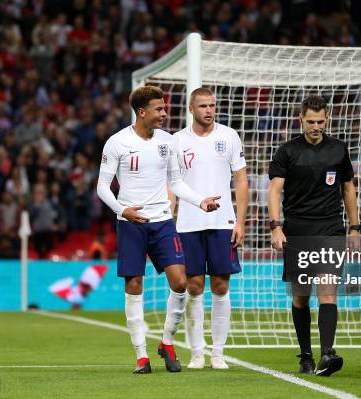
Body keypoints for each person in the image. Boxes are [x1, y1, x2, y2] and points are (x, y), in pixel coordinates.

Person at [97, 85, 220, 374]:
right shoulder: (117, 143)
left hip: (163, 222)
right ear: (142, 112)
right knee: (134, 286)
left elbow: (175, 182)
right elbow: (102, 186)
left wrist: (199, 200)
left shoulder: (168, 142)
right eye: (159, 109)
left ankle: (166, 342)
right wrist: (121, 210)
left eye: (163, 108)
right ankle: (141, 356)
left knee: (181, 283)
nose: (164, 114)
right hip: (131, 223)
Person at [268, 95, 359, 376]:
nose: (316, 126)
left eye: (321, 121)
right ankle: (306, 355)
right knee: (300, 296)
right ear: (301, 120)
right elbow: (274, 191)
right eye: (311, 121)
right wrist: (276, 226)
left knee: (328, 292)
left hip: (331, 228)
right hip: (297, 230)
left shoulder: (339, 150)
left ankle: (327, 354)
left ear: (327, 119)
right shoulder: (287, 151)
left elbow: (348, 189)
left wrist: (354, 228)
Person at [174, 87, 249, 370]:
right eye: (203, 106)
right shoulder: (178, 141)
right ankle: (197, 352)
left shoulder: (228, 136)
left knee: (220, 286)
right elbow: (173, 184)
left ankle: (218, 353)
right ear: (191, 109)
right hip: (188, 224)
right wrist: (170, 220)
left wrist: (240, 221)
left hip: (222, 222)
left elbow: (241, 180)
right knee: (193, 287)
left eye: (212, 105)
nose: (209, 110)